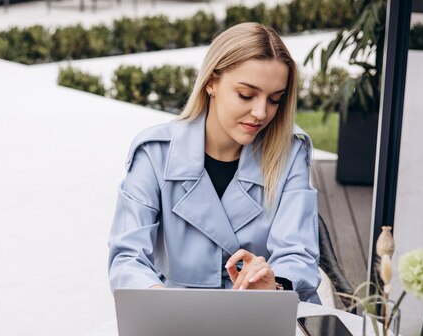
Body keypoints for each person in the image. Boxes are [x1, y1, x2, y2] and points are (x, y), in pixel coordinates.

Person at [108, 22, 321, 302]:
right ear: (211, 82)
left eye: (274, 99)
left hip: (263, 313)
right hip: (178, 316)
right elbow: (127, 257)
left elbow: (299, 254)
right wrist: (159, 303)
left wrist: (274, 285)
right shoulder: (154, 154)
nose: (260, 113)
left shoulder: (289, 152)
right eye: (246, 95)